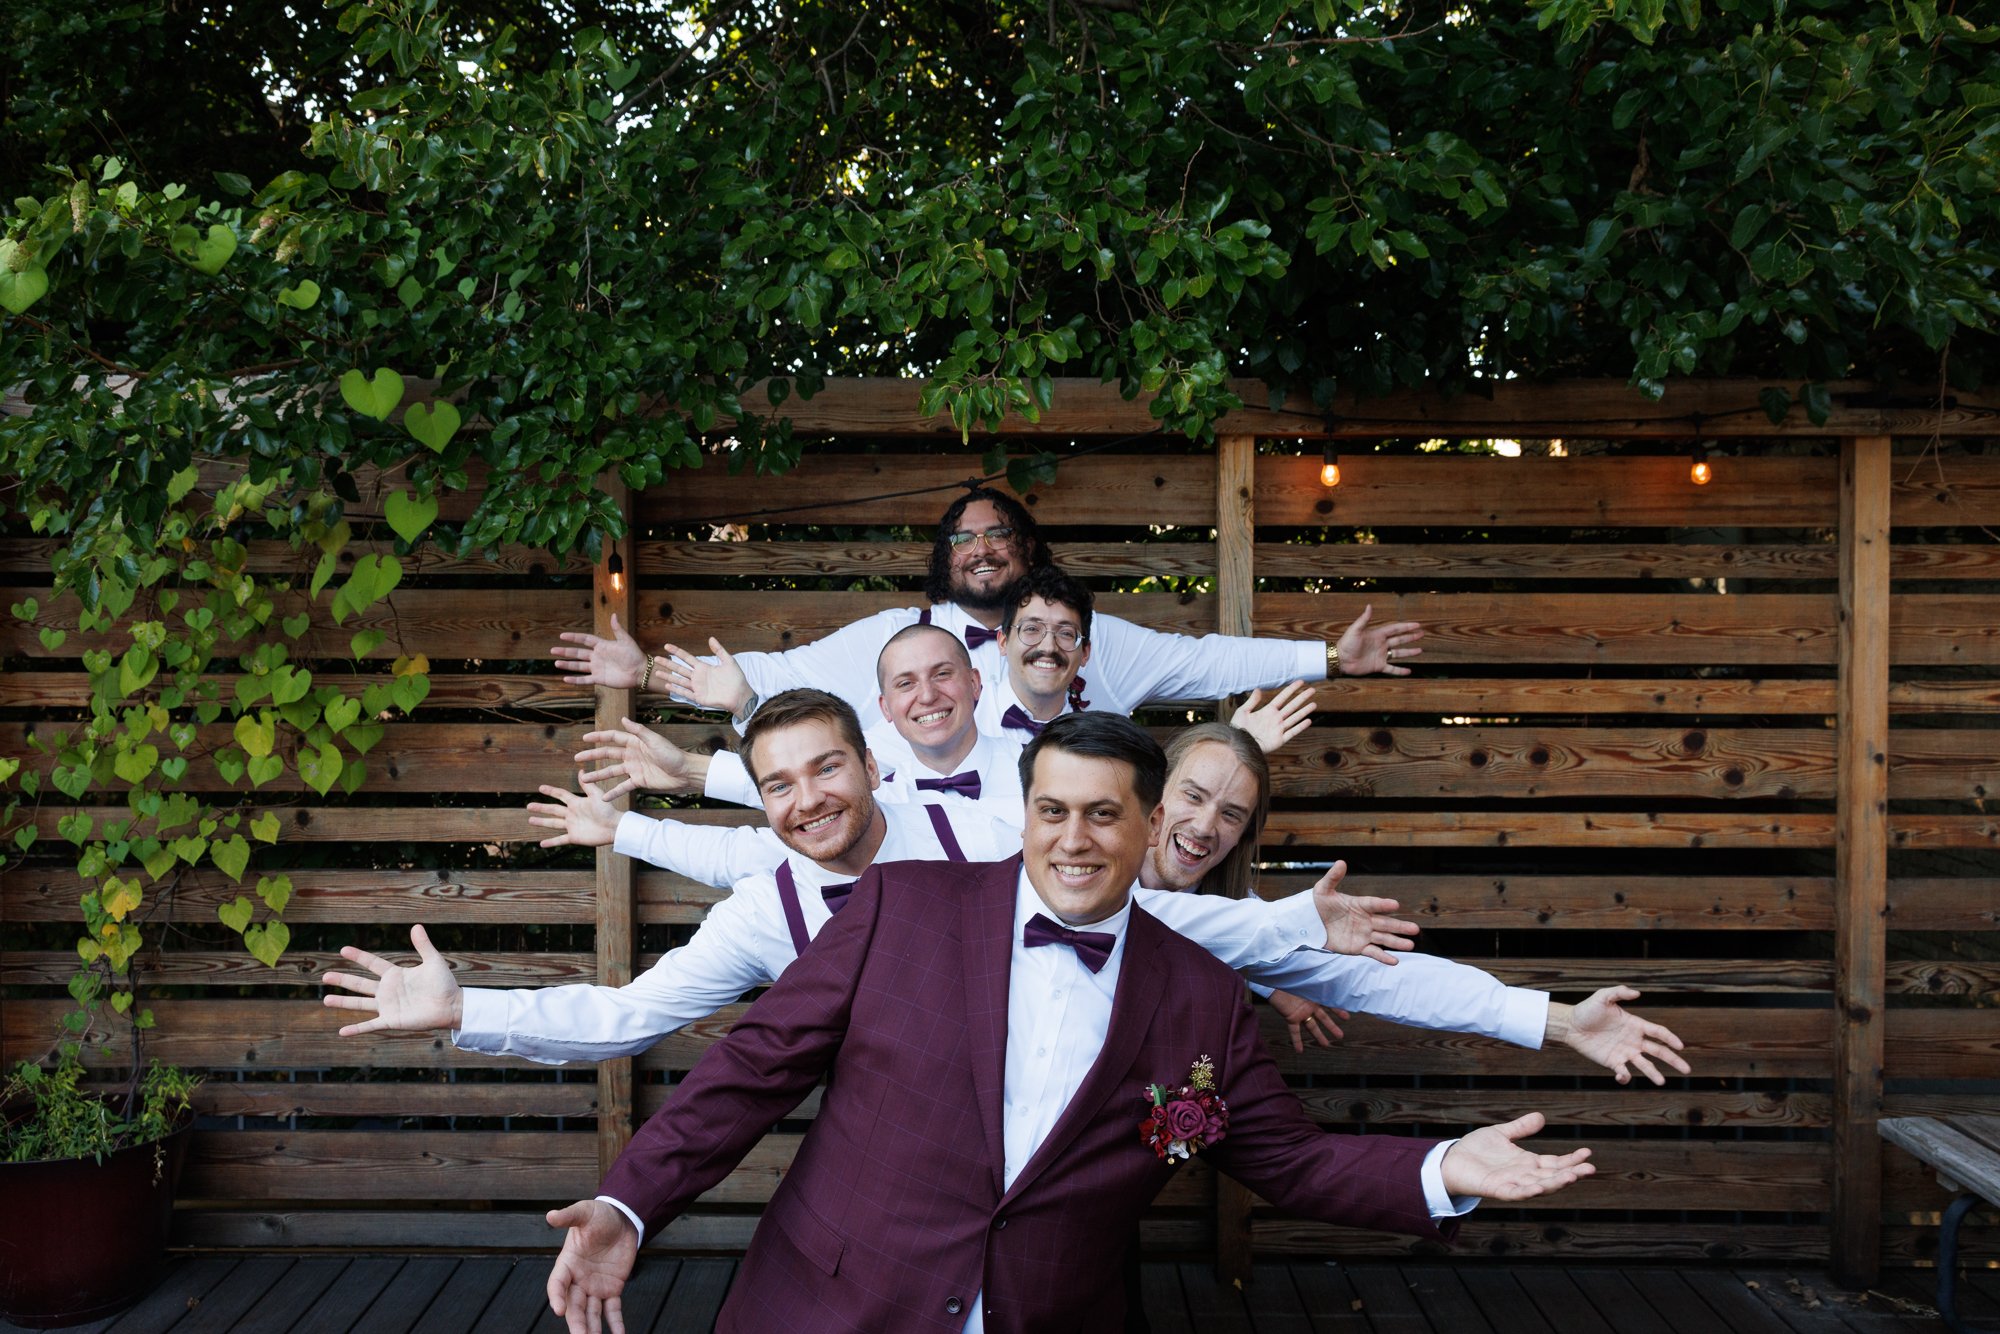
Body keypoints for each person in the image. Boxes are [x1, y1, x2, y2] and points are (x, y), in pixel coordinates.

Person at [538, 714, 1594, 1334]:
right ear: (1026, 812)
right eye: (1052, 810)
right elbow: (751, 1069)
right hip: (830, 1306)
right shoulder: (901, 904)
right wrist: (631, 1202)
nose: (1073, 839)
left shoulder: (1202, 997)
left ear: (1151, 824)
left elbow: (1292, 1161)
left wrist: (1444, 1167)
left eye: (1102, 813)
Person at [320, 692, 1415, 1060]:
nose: (806, 800)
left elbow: (1138, 904)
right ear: (761, 799)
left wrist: (1284, 934)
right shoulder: (762, 909)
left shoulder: (980, 826)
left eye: (826, 769)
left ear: (874, 764)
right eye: (778, 784)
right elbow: (626, 1014)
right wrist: (467, 1010)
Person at [548, 486, 1424, 731]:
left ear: (1029, 551)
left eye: (999, 533)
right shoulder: (892, 640)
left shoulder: (1096, 641)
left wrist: (1328, 659)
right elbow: (762, 679)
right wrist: (646, 672)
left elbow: (1209, 662)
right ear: (944, 561)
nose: (981, 547)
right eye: (963, 538)